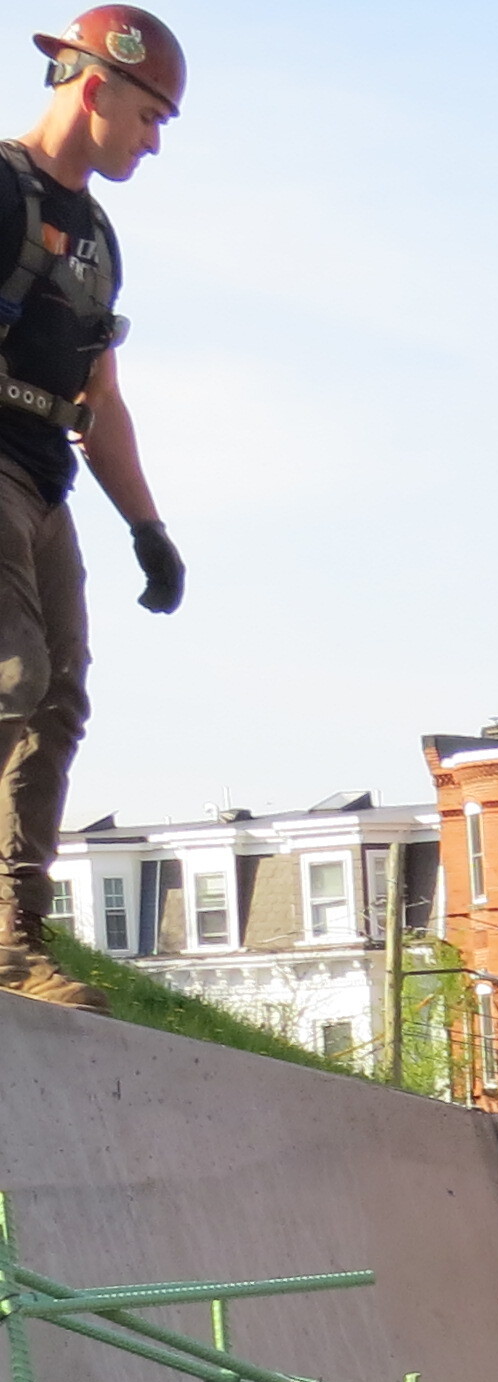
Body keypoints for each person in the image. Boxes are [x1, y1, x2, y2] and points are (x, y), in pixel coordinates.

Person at [0, 11, 183, 1014]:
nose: (154, 141)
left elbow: (100, 401)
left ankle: (10, 944)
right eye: (151, 117)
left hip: (41, 476)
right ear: (95, 87)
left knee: (58, 697)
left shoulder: (101, 238)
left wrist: (146, 527)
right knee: (9, 672)